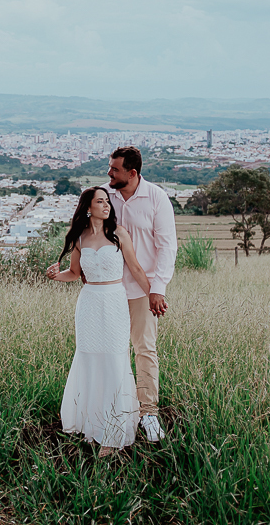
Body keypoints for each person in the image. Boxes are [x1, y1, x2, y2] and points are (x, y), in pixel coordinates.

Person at [47, 187, 151, 456]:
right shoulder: (80, 238)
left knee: (115, 359)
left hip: (114, 300)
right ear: (88, 207)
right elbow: (73, 273)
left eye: (107, 201)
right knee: (90, 359)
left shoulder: (118, 233)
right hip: (89, 303)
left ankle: (113, 433)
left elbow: (136, 268)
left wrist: (153, 297)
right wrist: (55, 276)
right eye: (100, 202)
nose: (106, 206)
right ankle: (92, 426)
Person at [103, 146, 175, 441]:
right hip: (108, 289)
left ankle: (149, 413)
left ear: (132, 173)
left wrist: (158, 289)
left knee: (144, 349)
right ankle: (113, 407)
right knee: (109, 350)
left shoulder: (156, 198)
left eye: (114, 169)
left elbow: (167, 247)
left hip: (144, 291)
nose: (109, 173)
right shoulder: (103, 197)